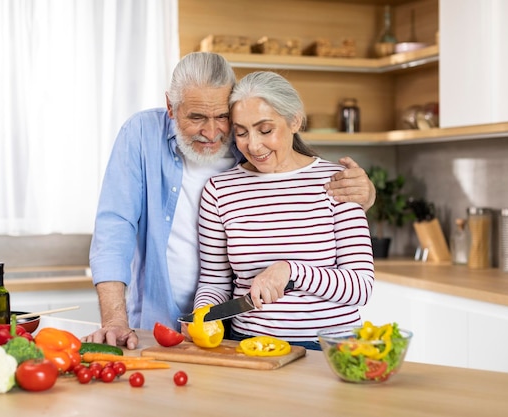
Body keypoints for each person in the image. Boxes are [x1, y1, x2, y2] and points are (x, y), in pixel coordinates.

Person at [84, 52, 375, 349]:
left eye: (223, 118)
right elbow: (115, 228)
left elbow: (361, 284)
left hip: (322, 343)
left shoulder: (332, 180)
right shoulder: (157, 145)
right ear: (171, 107)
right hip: (206, 330)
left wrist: (291, 270)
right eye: (197, 117)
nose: (212, 133)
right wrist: (117, 320)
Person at [193, 71, 375, 350]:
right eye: (241, 132)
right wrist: (203, 314)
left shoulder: (338, 182)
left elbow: (360, 287)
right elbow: (214, 282)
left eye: (265, 130)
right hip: (249, 346)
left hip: (331, 348)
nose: (253, 145)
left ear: (295, 121)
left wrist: (290, 271)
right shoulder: (220, 190)